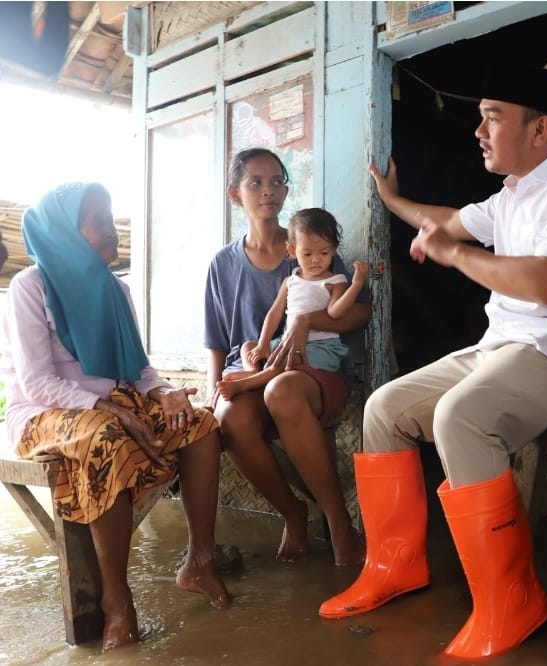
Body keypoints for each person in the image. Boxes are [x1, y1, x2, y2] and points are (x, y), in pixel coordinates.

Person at [319, 64, 547, 659]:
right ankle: (394, 565)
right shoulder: (512, 194)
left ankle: (511, 600)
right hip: (506, 346)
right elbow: (445, 221)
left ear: (539, 129)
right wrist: (391, 199)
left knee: (461, 416)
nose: (479, 132)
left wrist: (455, 256)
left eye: (492, 118)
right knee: (384, 407)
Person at [0, 183, 232, 652]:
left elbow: (140, 371)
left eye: (109, 219)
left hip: (113, 403)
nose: (110, 230)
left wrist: (166, 393)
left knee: (201, 424)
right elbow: (37, 382)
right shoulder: (31, 287)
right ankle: (117, 600)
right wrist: (110, 408)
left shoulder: (116, 289)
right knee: (107, 436)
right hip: (43, 413)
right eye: (97, 222)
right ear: (65, 231)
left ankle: (200, 561)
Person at [204, 148, 369, 566]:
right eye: (256, 182)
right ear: (235, 193)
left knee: (282, 391)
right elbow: (216, 340)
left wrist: (307, 322)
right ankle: (293, 514)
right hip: (249, 372)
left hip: (310, 370)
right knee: (231, 418)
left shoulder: (312, 244)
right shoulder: (222, 264)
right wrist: (212, 393)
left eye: (277, 181)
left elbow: (360, 313)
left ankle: (338, 524)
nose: (269, 191)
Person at [216, 207, 368, 400]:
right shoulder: (291, 281)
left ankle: (246, 384)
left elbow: (335, 312)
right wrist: (263, 344)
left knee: (287, 361)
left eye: (324, 252)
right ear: (293, 251)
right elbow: (274, 313)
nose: (316, 260)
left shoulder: (335, 281)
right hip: (286, 341)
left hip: (321, 347)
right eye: (307, 254)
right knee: (248, 346)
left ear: (333, 249)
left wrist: (356, 285)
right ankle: (253, 372)